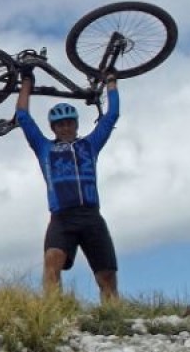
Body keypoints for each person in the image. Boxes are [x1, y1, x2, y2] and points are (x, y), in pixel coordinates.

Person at [15, 67, 120, 302]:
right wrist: (26, 83)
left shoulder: (90, 145)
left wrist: (111, 82)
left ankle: (114, 318)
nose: (65, 127)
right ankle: (53, 314)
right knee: (52, 261)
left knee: (107, 277)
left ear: (76, 124)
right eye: (60, 124)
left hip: (91, 217)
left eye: (69, 123)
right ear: (53, 128)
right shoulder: (44, 148)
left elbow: (112, 115)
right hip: (61, 218)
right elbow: (23, 116)